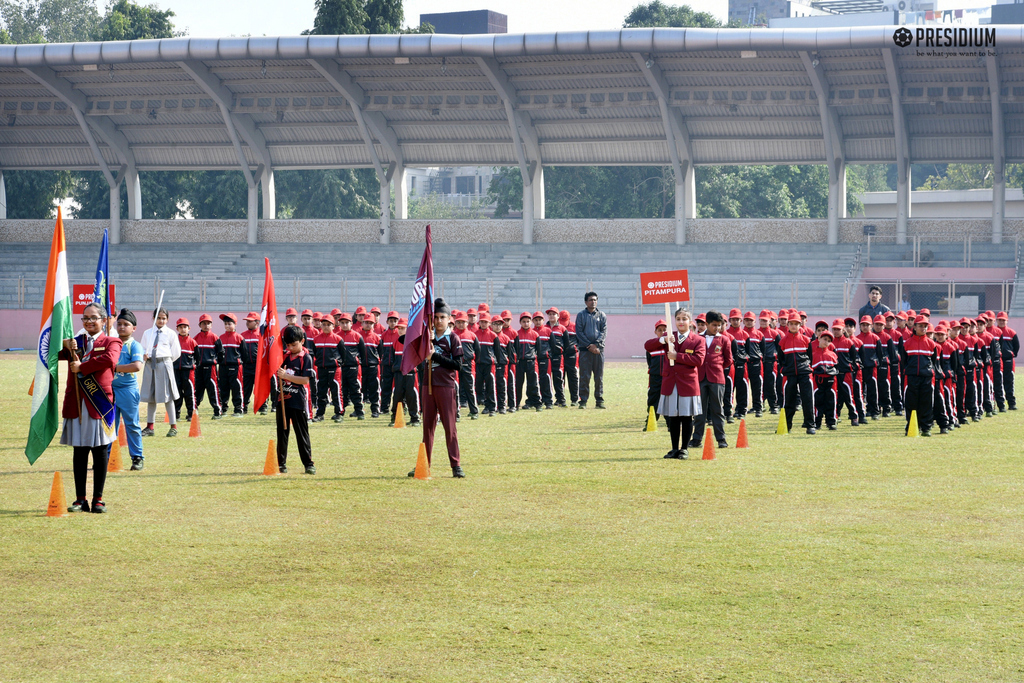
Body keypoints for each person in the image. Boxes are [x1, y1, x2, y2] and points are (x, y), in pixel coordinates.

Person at [60, 303, 122, 513]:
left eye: (93, 318)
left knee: (100, 451)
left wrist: (82, 367)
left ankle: (98, 499)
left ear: (104, 320)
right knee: (79, 450)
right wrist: (62, 340)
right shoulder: (75, 343)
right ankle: (80, 499)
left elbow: (110, 359)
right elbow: (54, 352)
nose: (88, 322)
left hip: (99, 403)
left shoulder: (112, 341)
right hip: (77, 404)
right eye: (85, 318)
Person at [410, 298, 465, 478]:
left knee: (450, 427)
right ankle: (424, 463)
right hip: (428, 386)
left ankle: (455, 465)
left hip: (445, 387)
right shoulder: (428, 336)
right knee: (427, 427)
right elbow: (405, 339)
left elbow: (458, 365)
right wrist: (424, 337)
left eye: (442, 317)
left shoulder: (453, 338)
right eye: (436, 317)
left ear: (449, 319)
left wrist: (435, 356)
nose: (439, 321)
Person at [656, 309, 706, 460]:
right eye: (678, 319)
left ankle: (684, 448)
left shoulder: (698, 340)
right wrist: (663, 340)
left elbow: (698, 360)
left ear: (690, 321)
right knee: (673, 417)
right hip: (671, 383)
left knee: (686, 417)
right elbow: (648, 345)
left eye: (684, 319)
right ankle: (674, 448)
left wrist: (678, 356)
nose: (681, 322)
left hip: (687, 383)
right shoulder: (670, 337)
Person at [275, 324, 316, 475]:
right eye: (288, 345)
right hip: (282, 401)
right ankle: (281, 463)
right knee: (282, 433)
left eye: (294, 344)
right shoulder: (283, 357)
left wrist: (286, 376)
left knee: (301, 433)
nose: (291, 348)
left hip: (298, 401)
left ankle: (308, 464)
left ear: (302, 341)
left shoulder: (306, 358)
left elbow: (305, 380)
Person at [690, 310, 731, 450]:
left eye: (719, 325)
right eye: (714, 325)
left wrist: (717, 367)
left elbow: (728, 360)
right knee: (699, 410)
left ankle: (721, 439)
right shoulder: (696, 338)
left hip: (717, 379)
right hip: (700, 378)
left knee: (717, 409)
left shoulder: (724, 339)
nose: (717, 328)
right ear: (706, 324)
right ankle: (696, 439)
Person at [110, 309, 145, 470]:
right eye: (120, 324)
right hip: (110, 391)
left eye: (126, 324)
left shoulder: (134, 345)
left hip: (128, 390)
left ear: (134, 328)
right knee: (110, 425)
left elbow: (136, 366)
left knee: (132, 424)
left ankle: (137, 457)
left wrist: (114, 368)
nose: (122, 327)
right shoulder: (111, 343)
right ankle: (106, 457)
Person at [140, 307, 181, 437]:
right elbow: (142, 348)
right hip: (149, 365)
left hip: (164, 364)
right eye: (158, 318)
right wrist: (144, 356)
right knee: (151, 396)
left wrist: (165, 361)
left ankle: (173, 426)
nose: (161, 320)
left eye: (163, 318)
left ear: (167, 319)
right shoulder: (147, 333)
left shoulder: (171, 334)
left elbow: (176, 352)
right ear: (153, 318)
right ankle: (150, 427)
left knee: (167, 396)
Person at [900, 315, 939, 436]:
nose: (923, 328)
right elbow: (903, 361)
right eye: (920, 326)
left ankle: (926, 427)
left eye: (925, 326)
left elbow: (934, 362)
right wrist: (907, 371)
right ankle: (911, 426)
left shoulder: (932, 344)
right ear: (914, 327)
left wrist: (930, 373)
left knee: (926, 403)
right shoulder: (907, 343)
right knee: (911, 403)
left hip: (926, 377)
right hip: (911, 377)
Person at [779, 313, 815, 435]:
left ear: (800, 325)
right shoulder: (783, 341)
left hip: (804, 373)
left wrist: (807, 367)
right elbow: (780, 359)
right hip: (790, 375)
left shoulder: (806, 340)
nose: (794, 326)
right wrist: (785, 369)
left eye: (796, 324)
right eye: (791, 324)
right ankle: (787, 426)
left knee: (807, 399)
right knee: (789, 401)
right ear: (788, 325)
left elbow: (810, 356)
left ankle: (810, 425)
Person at [575, 291, 607, 409]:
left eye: (595, 300)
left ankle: (599, 400)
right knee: (584, 376)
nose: (593, 302)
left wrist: (596, 345)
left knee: (599, 377)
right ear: (586, 302)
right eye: (590, 300)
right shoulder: (581, 315)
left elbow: (604, 332)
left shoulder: (602, 315)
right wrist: (589, 346)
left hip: (598, 351)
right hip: (585, 351)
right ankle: (583, 401)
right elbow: (579, 333)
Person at [312, 316, 343, 423]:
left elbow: (343, 355)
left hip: (334, 370)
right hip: (321, 369)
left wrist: (336, 363)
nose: (325, 327)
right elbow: (315, 353)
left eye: (328, 325)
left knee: (336, 391)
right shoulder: (316, 339)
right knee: (321, 392)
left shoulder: (338, 339)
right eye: (323, 324)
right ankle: (320, 414)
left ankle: (339, 413)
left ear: (333, 326)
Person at [337, 312, 367, 420]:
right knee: (342, 390)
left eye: (347, 322)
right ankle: (340, 412)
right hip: (341, 368)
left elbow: (363, 354)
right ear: (339, 323)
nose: (345, 325)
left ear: (351, 323)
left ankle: (359, 411)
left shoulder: (357, 336)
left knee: (356, 389)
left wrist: (358, 363)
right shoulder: (336, 336)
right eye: (342, 322)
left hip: (354, 368)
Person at [391, 318, 420, 426]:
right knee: (397, 395)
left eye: (403, 328)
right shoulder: (395, 343)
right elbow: (392, 358)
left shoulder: (415, 343)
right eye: (399, 328)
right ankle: (395, 417)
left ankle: (415, 418)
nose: (400, 330)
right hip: (398, 373)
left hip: (411, 374)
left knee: (411, 395)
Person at [193, 313, 222, 419]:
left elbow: (221, 353)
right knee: (197, 390)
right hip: (199, 369)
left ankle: (217, 411)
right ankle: (193, 411)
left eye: (208, 323)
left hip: (211, 369)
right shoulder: (195, 338)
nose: (206, 325)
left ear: (211, 325)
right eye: (204, 323)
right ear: (199, 325)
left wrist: (215, 362)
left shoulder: (215, 338)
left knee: (213, 390)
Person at [453, 311, 480, 420]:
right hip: (454, 364)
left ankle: (474, 411)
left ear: (467, 322)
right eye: (458, 322)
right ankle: (456, 413)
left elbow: (478, 351)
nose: (460, 324)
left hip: (468, 365)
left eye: (463, 322)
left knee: (470, 388)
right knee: (455, 388)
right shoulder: (452, 335)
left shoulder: (472, 335)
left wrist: (472, 360)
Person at [811, 326, 839, 431]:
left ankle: (831, 422)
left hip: (831, 381)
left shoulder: (832, 355)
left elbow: (836, 368)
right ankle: (817, 422)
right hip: (818, 381)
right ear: (819, 339)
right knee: (818, 402)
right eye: (824, 339)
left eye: (828, 340)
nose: (826, 342)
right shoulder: (813, 354)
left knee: (831, 401)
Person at [217, 313, 244, 417]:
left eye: (229, 324)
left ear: (235, 324)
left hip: (236, 367)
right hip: (223, 367)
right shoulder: (220, 338)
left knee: (236, 388)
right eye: (225, 324)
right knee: (223, 388)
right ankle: (223, 409)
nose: (227, 326)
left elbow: (244, 355)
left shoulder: (240, 338)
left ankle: (238, 409)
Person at [642, 319, 668, 430]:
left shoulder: (671, 345)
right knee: (653, 399)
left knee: (668, 401)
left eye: (664, 330)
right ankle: (651, 421)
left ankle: (671, 424)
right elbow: (649, 361)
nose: (662, 332)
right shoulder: (652, 346)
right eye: (659, 330)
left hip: (667, 377)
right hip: (655, 377)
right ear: (655, 332)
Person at [514, 312, 542, 411]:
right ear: (520, 322)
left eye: (528, 321)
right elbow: (515, 349)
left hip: (531, 362)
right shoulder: (516, 334)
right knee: (518, 383)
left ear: (531, 322)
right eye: (524, 321)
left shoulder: (535, 334)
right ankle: (515, 404)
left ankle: (536, 403)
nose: (526, 323)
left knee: (533, 383)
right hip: (520, 363)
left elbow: (538, 350)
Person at [173, 318, 197, 422]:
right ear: (177, 328)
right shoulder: (174, 341)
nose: (183, 329)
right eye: (180, 327)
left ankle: (191, 414)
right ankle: (176, 414)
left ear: (189, 328)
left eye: (185, 327)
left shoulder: (193, 342)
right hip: (175, 371)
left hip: (188, 372)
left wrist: (192, 366)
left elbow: (197, 357)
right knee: (176, 393)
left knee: (189, 393)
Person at [359, 315, 382, 417]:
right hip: (360, 367)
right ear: (362, 323)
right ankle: (360, 410)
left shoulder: (377, 338)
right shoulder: (358, 336)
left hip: (373, 367)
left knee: (374, 388)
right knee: (360, 388)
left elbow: (381, 353)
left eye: (371, 323)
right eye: (366, 322)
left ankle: (375, 409)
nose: (368, 325)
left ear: (374, 325)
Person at [996, 312, 1018, 410]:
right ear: (997, 320)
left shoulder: (1011, 332)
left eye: (1003, 320)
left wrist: (1012, 354)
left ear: (1007, 321)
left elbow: (1016, 346)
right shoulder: (994, 332)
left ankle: (1011, 403)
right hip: (997, 361)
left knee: (1009, 382)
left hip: (1008, 361)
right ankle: (999, 405)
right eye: (1000, 320)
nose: (1001, 322)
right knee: (997, 383)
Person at [240, 312, 260, 413]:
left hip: (258, 366)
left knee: (259, 387)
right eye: (247, 321)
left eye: (250, 321)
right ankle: (244, 406)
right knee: (246, 388)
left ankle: (262, 406)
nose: (247, 323)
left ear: (257, 322)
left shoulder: (261, 335)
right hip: (246, 366)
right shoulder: (242, 335)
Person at [559, 309, 579, 406]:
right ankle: (560, 399)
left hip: (572, 356)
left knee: (573, 377)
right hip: (560, 355)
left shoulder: (575, 327)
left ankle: (575, 399)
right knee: (559, 377)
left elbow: (580, 339)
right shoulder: (556, 327)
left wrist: (575, 348)